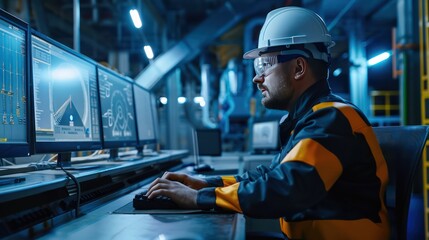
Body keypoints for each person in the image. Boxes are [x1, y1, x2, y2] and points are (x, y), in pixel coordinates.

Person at [147, 6, 390, 239]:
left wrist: (200, 198)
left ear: (298, 67)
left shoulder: (332, 119)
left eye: (265, 64)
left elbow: (285, 188)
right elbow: (270, 176)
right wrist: (203, 184)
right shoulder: (309, 119)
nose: (256, 77)